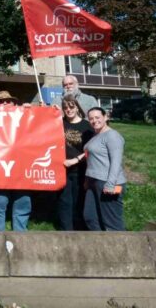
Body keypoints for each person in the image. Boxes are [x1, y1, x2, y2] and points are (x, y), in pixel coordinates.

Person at [0, 91, 32, 231]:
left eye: (8, 101)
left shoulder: (25, 115)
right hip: (1, 168)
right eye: (1, 101)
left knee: (23, 201)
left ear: (14, 103)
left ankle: (20, 235)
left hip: (22, 167)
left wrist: (38, 109)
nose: (5, 104)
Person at [82, 107, 127, 231]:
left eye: (97, 117)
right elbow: (91, 158)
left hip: (109, 183)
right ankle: (102, 247)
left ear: (105, 117)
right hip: (93, 182)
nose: (94, 120)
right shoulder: (96, 135)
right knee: (90, 217)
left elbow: (116, 162)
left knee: (112, 222)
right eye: (91, 118)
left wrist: (110, 184)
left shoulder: (112, 135)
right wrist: (87, 180)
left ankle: (120, 248)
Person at [59, 95, 94, 230]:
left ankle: (79, 230)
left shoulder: (87, 126)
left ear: (77, 107)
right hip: (62, 170)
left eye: (71, 106)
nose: (68, 110)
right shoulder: (59, 122)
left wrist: (75, 160)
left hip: (81, 170)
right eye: (65, 107)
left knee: (80, 200)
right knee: (64, 202)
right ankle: (66, 231)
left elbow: (92, 150)